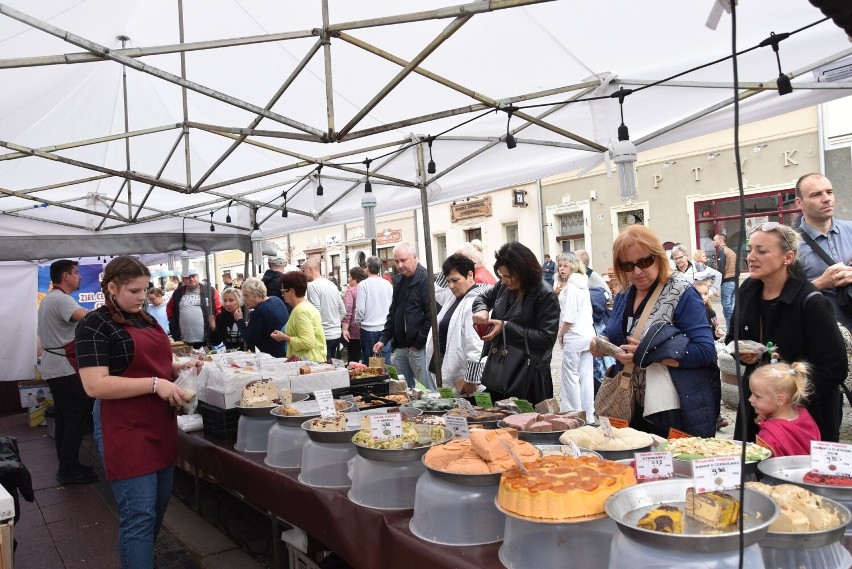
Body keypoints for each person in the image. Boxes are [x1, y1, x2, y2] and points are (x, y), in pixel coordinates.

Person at [75, 256, 201, 569]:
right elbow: (95, 385)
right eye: (134, 290)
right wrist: (155, 384)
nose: (142, 297)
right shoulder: (94, 325)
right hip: (125, 429)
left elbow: (156, 360)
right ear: (112, 288)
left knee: (157, 508)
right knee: (139, 516)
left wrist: (177, 366)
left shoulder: (146, 318)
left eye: (145, 290)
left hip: (159, 424)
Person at [590, 225, 719, 438]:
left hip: (669, 409)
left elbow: (705, 351)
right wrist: (603, 344)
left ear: (658, 257)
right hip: (629, 403)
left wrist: (651, 354)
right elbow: (622, 335)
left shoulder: (681, 292)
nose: (637, 271)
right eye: (628, 265)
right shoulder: (625, 292)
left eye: (644, 261)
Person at [726, 222, 846, 442]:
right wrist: (742, 353)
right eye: (750, 249)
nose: (751, 257)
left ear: (788, 257)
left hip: (803, 420)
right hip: (756, 410)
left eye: (761, 251)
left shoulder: (811, 302)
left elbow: (834, 368)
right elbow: (733, 337)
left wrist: (784, 401)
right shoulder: (748, 290)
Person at [472, 242, 559, 403]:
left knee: (527, 424)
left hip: (529, 376)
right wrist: (481, 310)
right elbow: (483, 298)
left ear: (523, 272)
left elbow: (547, 339)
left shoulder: (545, 294)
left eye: (507, 276)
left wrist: (506, 327)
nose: (503, 280)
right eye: (501, 275)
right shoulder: (504, 285)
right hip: (500, 369)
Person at [37, 259, 95, 485]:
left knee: (64, 417)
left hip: (54, 365)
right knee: (77, 416)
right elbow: (89, 318)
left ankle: (67, 462)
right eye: (76, 273)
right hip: (63, 367)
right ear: (66, 276)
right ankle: (69, 468)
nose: (79, 277)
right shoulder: (61, 299)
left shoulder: (51, 298)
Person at [793, 173, 852, 331]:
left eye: (829, 192)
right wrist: (821, 283)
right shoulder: (789, 245)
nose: (827, 199)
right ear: (800, 203)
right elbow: (781, 297)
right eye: (816, 194)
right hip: (823, 337)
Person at [373, 243, 435, 390]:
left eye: (404, 260)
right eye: (397, 261)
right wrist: (383, 339)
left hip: (419, 347)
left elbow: (431, 316)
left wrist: (418, 343)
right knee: (401, 388)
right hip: (401, 346)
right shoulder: (399, 281)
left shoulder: (425, 279)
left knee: (427, 389)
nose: (400, 265)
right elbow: (393, 312)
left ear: (415, 258)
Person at [424, 254, 486, 395]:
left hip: (464, 382)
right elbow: (437, 290)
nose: (451, 286)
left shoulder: (475, 302)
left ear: (470, 275)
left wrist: (472, 380)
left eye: (455, 280)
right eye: (448, 281)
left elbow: (476, 346)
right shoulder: (454, 296)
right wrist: (451, 261)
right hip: (449, 375)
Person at [749, 360, 820, 457]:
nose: (750, 399)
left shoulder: (768, 437)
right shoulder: (804, 415)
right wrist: (768, 421)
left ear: (780, 400)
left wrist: (769, 427)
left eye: (757, 396)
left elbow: (767, 468)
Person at [556, 252, 596, 421]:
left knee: (571, 376)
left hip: (575, 336)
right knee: (586, 377)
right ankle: (589, 415)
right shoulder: (582, 284)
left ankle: (574, 414)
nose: (561, 268)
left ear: (573, 265)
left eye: (565, 265)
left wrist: (560, 334)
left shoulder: (572, 287)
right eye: (560, 265)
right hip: (587, 335)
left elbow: (569, 318)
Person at [271, 272, 326, 362]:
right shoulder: (304, 307)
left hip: (308, 363)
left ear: (292, 291)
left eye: (283, 291)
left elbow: (307, 342)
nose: (282, 295)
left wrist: (284, 337)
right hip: (310, 361)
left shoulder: (301, 311)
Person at [302, 256, 346, 360]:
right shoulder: (331, 284)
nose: (302, 274)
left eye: (303, 271)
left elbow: (315, 312)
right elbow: (343, 310)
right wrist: (334, 322)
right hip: (336, 334)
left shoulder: (312, 286)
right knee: (334, 368)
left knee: (324, 369)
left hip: (323, 335)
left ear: (310, 270)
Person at [233, 277, 290, 358]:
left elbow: (250, 340)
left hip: (271, 357)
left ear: (259, 296)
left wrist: (239, 321)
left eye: (247, 296)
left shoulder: (260, 311)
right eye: (243, 295)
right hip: (284, 351)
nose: (244, 299)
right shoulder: (276, 300)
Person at [166, 268, 222, 348]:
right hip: (184, 340)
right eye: (188, 277)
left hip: (206, 339)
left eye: (193, 276)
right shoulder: (178, 292)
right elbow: (169, 307)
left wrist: (216, 324)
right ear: (183, 279)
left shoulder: (210, 290)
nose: (191, 279)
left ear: (198, 276)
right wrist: (172, 320)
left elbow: (219, 309)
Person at [356, 256, 394, 365]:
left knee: (368, 363)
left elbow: (360, 309)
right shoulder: (387, 284)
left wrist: (358, 321)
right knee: (385, 362)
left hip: (368, 328)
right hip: (385, 328)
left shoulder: (363, 285)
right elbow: (392, 305)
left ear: (367, 267)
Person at [341, 267, 367, 363]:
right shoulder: (366, 288)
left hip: (353, 330)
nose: (348, 279)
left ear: (355, 279)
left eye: (349, 277)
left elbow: (348, 310)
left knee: (353, 359)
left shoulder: (350, 291)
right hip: (366, 328)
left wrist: (345, 329)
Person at [713, 233, 737, 328]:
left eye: (715, 239)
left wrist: (717, 285)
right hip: (734, 281)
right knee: (731, 306)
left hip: (727, 282)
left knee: (727, 308)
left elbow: (720, 270)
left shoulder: (722, 251)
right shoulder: (731, 251)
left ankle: (730, 331)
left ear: (721, 240)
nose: (713, 242)